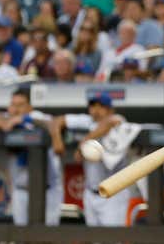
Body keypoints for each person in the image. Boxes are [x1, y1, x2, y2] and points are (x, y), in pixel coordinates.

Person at [49, 93, 132, 226]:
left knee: (113, 239)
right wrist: (56, 139)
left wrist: (83, 142)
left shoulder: (118, 120)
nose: (96, 110)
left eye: (101, 106)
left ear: (110, 110)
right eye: (93, 106)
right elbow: (56, 121)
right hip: (91, 193)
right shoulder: (87, 121)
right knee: (94, 237)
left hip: (114, 195)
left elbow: (110, 123)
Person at [0, 88, 62, 226]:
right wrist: (7, 122)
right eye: (13, 104)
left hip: (47, 190)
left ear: (29, 107)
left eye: (20, 105)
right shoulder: (8, 117)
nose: (15, 109)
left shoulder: (38, 117)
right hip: (21, 190)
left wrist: (23, 119)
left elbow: (52, 123)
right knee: (21, 236)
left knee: (48, 236)